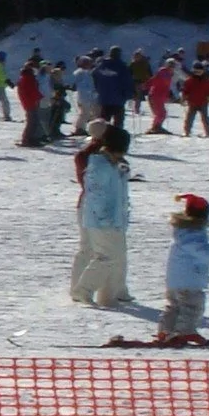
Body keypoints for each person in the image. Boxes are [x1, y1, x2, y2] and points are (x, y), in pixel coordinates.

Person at [69, 129, 132, 308]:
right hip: (102, 221)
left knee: (116, 256)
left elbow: (119, 193)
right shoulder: (100, 167)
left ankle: (108, 295)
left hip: (115, 219)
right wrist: (105, 219)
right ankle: (83, 289)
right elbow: (96, 196)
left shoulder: (113, 166)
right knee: (107, 257)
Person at [160, 194, 209, 342]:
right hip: (189, 280)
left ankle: (166, 330)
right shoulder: (193, 233)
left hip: (175, 279)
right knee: (192, 306)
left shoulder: (183, 231)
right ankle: (186, 331)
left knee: (175, 307)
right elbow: (201, 251)